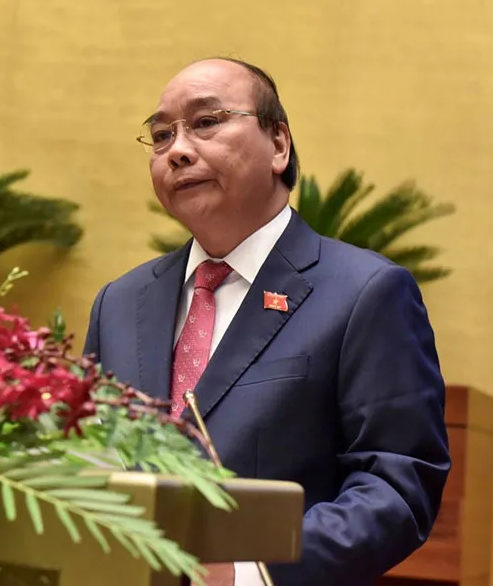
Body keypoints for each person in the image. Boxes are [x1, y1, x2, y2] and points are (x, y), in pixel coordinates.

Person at [82, 57, 451, 586]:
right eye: (161, 135)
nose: (178, 149)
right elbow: (86, 462)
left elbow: (396, 487)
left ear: (278, 144)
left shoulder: (364, 293)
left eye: (206, 122)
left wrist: (247, 571)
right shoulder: (119, 303)